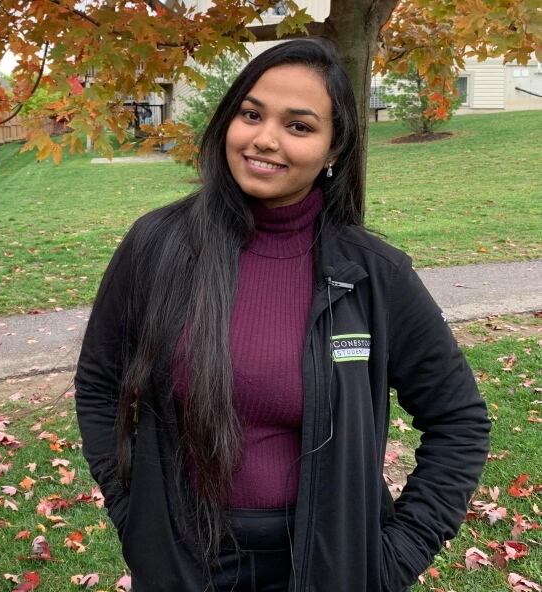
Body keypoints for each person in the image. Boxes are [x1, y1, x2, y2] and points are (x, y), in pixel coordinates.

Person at [74, 38, 490, 592]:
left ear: (334, 148)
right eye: (251, 114)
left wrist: (392, 558)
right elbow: (100, 385)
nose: (264, 139)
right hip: (181, 561)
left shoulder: (372, 274)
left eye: (298, 126)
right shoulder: (157, 246)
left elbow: (459, 420)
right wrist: (134, 517)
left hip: (325, 563)